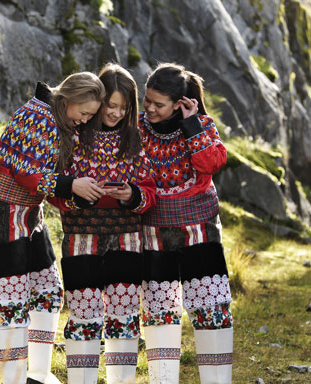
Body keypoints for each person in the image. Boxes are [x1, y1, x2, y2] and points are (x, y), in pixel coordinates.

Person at [0, 72, 106, 384]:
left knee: (48, 291)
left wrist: (79, 196)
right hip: (1, 211)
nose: (85, 120)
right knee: (12, 301)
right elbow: (25, 172)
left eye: (90, 115)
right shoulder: (35, 115)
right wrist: (72, 185)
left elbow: (50, 183)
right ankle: (13, 378)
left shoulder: (61, 123)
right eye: (83, 113)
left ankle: (38, 373)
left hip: (30, 214)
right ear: (68, 100)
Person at [48, 63, 156, 384]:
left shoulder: (135, 138)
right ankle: (81, 379)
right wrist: (76, 193)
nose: (117, 113)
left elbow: (150, 190)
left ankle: (120, 380)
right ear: (98, 101)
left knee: (123, 311)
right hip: (81, 233)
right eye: (111, 105)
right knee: (84, 310)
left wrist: (132, 194)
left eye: (124, 107)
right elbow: (54, 187)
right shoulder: (74, 133)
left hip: (126, 236)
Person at [138, 62, 233, 384]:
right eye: (146, 100)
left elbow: (213, 162)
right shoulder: (138, 128)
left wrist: (192, 124)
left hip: (200, 230)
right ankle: (162, 380)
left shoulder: (201, 124)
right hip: (153, 232)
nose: (149, 108)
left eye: (158, 104)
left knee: (210, 308)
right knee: (159, 310)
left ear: (180, 103)